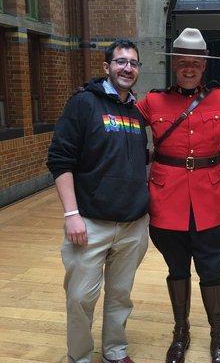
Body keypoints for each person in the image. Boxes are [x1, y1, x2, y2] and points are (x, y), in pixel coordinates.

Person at [136, 28, 220, 363]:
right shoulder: (153, 101)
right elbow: (122, 118)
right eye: (183, 62)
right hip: (166, 201)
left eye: (196, 63)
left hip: (209, 202)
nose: (189, 68)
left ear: (204, 66)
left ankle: (219, 336)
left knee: (211, 270)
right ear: (175, 65)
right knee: (176, 269)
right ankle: (180, 332)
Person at [47, 39, 149, 363]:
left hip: (133, 225)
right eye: (120, 62)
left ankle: (115, 352)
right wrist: (71, 214)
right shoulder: (83, 103)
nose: (127, 68)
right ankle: (79, 357)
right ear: (107, 67)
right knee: (80, 297)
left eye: (133, 63)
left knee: (120, 295)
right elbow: (59, 160)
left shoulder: (136, 111)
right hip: (89, 223)